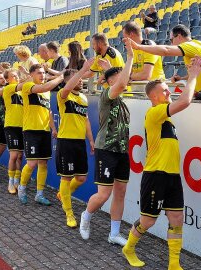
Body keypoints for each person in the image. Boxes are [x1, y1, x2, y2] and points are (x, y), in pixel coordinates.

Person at [122, 58, 201, 269]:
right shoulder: (155, 113)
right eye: (165, 90)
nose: (169, 93)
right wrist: (192, 76)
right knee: (148, 221)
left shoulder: (167, 119)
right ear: (154, 97)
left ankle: (174, 264)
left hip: (172, 176)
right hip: (155, 175)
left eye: (168, 90)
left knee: (176, 217)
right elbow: (184, 101)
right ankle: (128, 248)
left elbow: (183, 99)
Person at [79, 38, 134, 246]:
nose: (125, 81)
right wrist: (129, 56)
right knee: (104, 194)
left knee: (120, 192)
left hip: (121, 150)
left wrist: (110, 68)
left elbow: (117, 79)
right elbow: (119, 82)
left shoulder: (119, 98)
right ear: (112, 82)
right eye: (120, 78)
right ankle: (86, 216)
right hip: (106, 149)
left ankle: (114, 233)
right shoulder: (107, 95)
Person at [126, 24, 201, 100]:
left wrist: (138, 47)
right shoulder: (196, 45)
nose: (171, 43)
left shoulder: (190, 46)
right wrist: (183, 78)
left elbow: (166, 51)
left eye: (171, 40)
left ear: (179, 36)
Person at [56, 63, 95, 228]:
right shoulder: (63, 95)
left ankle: (63, 195)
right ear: (67, 81)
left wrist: (91, 140)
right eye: (76, 79)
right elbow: (66, 89)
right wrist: (82, 70)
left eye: (80, 79)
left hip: (79, 143)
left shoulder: (83, 98)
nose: (80, 81)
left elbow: (85, 121)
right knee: (66, 177)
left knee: (81, 178)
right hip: (66, 141)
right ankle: (69, 213)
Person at [18, 64, 63, 205]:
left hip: (44, 131)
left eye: (43, 73)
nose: (42, 75)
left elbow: (48, 111)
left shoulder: (46, 92)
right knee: (31, 163)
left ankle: (39, 194)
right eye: (39, 73)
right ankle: (22, 188)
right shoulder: (28, 86)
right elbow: (45, 87)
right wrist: (61, 77)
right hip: (31, 130)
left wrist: (53, 128)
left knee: (43, 163)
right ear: (31, 75)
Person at [2, 69, 24, 194]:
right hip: (11, 125)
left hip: (23, 126)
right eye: (13, 75)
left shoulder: (22, 92)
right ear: (8, 79)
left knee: (20, 156)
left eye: (16, 75)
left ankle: (17, 180)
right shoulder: (8, 89)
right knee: (14, 155)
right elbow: (24, 84)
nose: (16, 77)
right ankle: (10, 182)